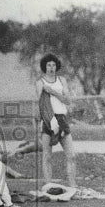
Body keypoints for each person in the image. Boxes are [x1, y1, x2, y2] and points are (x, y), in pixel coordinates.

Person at [34, 54, 77, 186]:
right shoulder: (40, 83)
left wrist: (53, 92)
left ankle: (73, 184)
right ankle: (48, 185)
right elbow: (39, 106)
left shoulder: (62, 80)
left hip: (61, 119)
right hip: (48, 120)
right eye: (48, 65)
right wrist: (37, 125)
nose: (51, 68)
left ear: (56, 66)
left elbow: (68, 101)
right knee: (47, 156)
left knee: (71, 155)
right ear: (44, 67)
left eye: (53, 65)